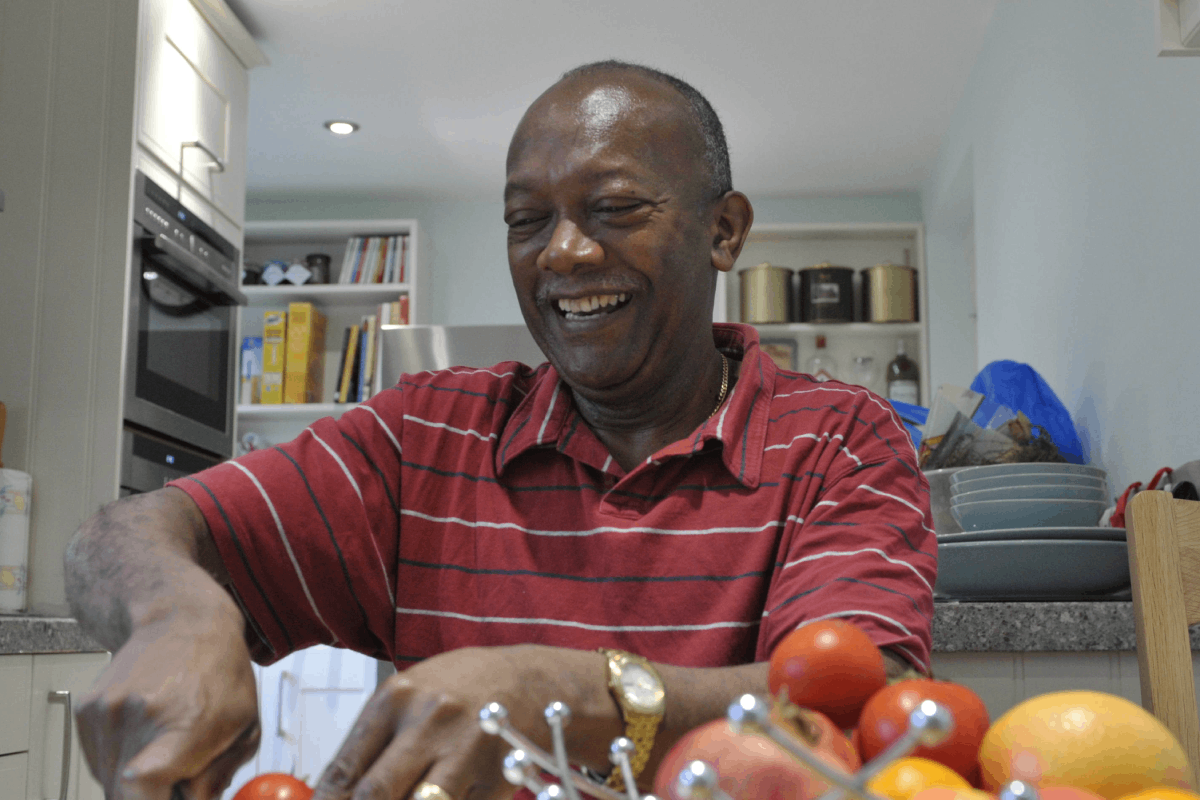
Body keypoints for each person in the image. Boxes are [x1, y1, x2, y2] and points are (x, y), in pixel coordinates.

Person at [65, 61, 935, 800]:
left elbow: (870, 708)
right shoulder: (425, 438)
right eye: (526, 220)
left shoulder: (839, 439)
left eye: (615, 208)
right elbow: (124, 534)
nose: (562, 252)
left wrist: (572, 691)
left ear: (723, 230)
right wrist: (175, 616)